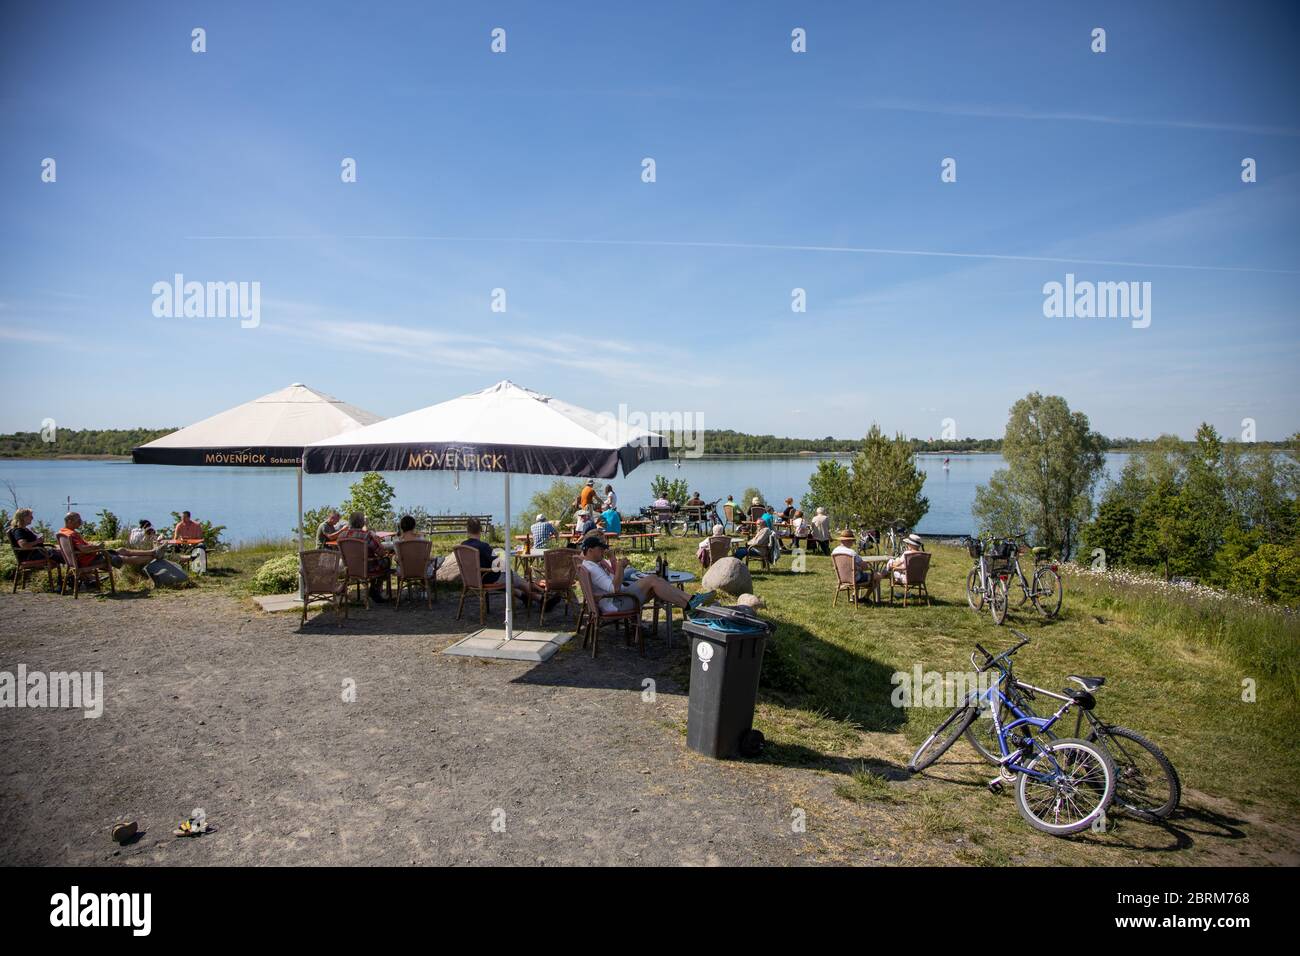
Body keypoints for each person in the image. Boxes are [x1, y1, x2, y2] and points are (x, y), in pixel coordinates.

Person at [579, 536, 712, 617]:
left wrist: (615, 566)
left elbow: (612, 581)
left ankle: (690, 607)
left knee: (655, 586)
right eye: (600, 549)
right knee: (653, 580)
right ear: (590, 550)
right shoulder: (592, 568)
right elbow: (615, 589)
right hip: (616, 603)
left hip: (614, 600)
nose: (603, 551)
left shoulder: (590, 565)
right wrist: (620, 567)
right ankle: (691, 601)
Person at [461, 516, 540, 604]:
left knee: (508, 579)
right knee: (515, 578)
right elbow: (499, 564)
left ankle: (523, 597)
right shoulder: (483, 546)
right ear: (480, 529)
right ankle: (540, 599)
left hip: (471, 579)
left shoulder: (462, 546)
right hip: (488, 578)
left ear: (467, 530)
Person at [337, 511, 391, 603]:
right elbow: (381, 553)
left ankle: (373, 590)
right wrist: (377, 540)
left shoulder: (342, 536)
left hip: (349, 568)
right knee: (387, 561)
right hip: (367, 568)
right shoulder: (367, 536)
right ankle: (374, 589)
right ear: (362, 523)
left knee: (381, 561)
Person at [58, 512, 123, 569]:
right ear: (69, 521)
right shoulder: (72, 534)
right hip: (87, 560)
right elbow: (83, 549)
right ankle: (133, 565)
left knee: (122, 550)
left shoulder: (63, 532)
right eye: (78, 520)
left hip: (80, 560)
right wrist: (97, 547)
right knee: (122, 558)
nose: (80, 522)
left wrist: (93, 546)